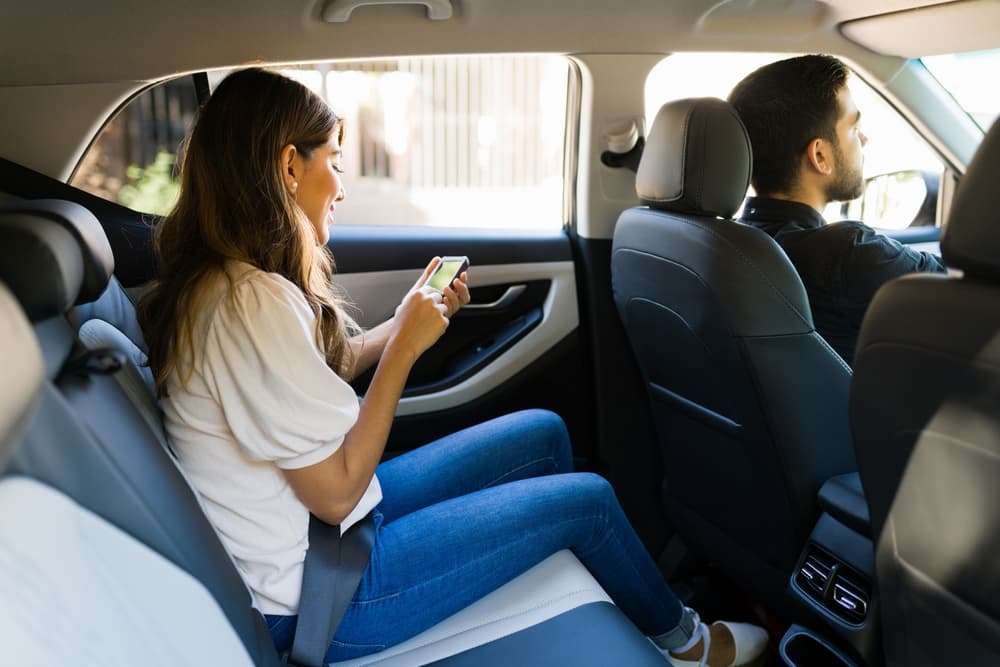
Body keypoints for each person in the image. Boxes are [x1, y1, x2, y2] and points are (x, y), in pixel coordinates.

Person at [137, 67, 768, 667]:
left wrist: (400, 325)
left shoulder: (226, 284)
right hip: (324, 597)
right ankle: (690, 645)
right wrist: (407, 351)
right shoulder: (250, 301)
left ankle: (630, 595)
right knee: (590, 502)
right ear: (288, 167)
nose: (343, 184)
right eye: (333, 160)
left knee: (543, 431)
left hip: (324, 546)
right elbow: (334, 494)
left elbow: (302, 383)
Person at [728, 54, 946, 365]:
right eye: (854, 129)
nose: (865, 139)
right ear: (820, 155)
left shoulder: (729, 242)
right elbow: (965, 294)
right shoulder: (847, 254)